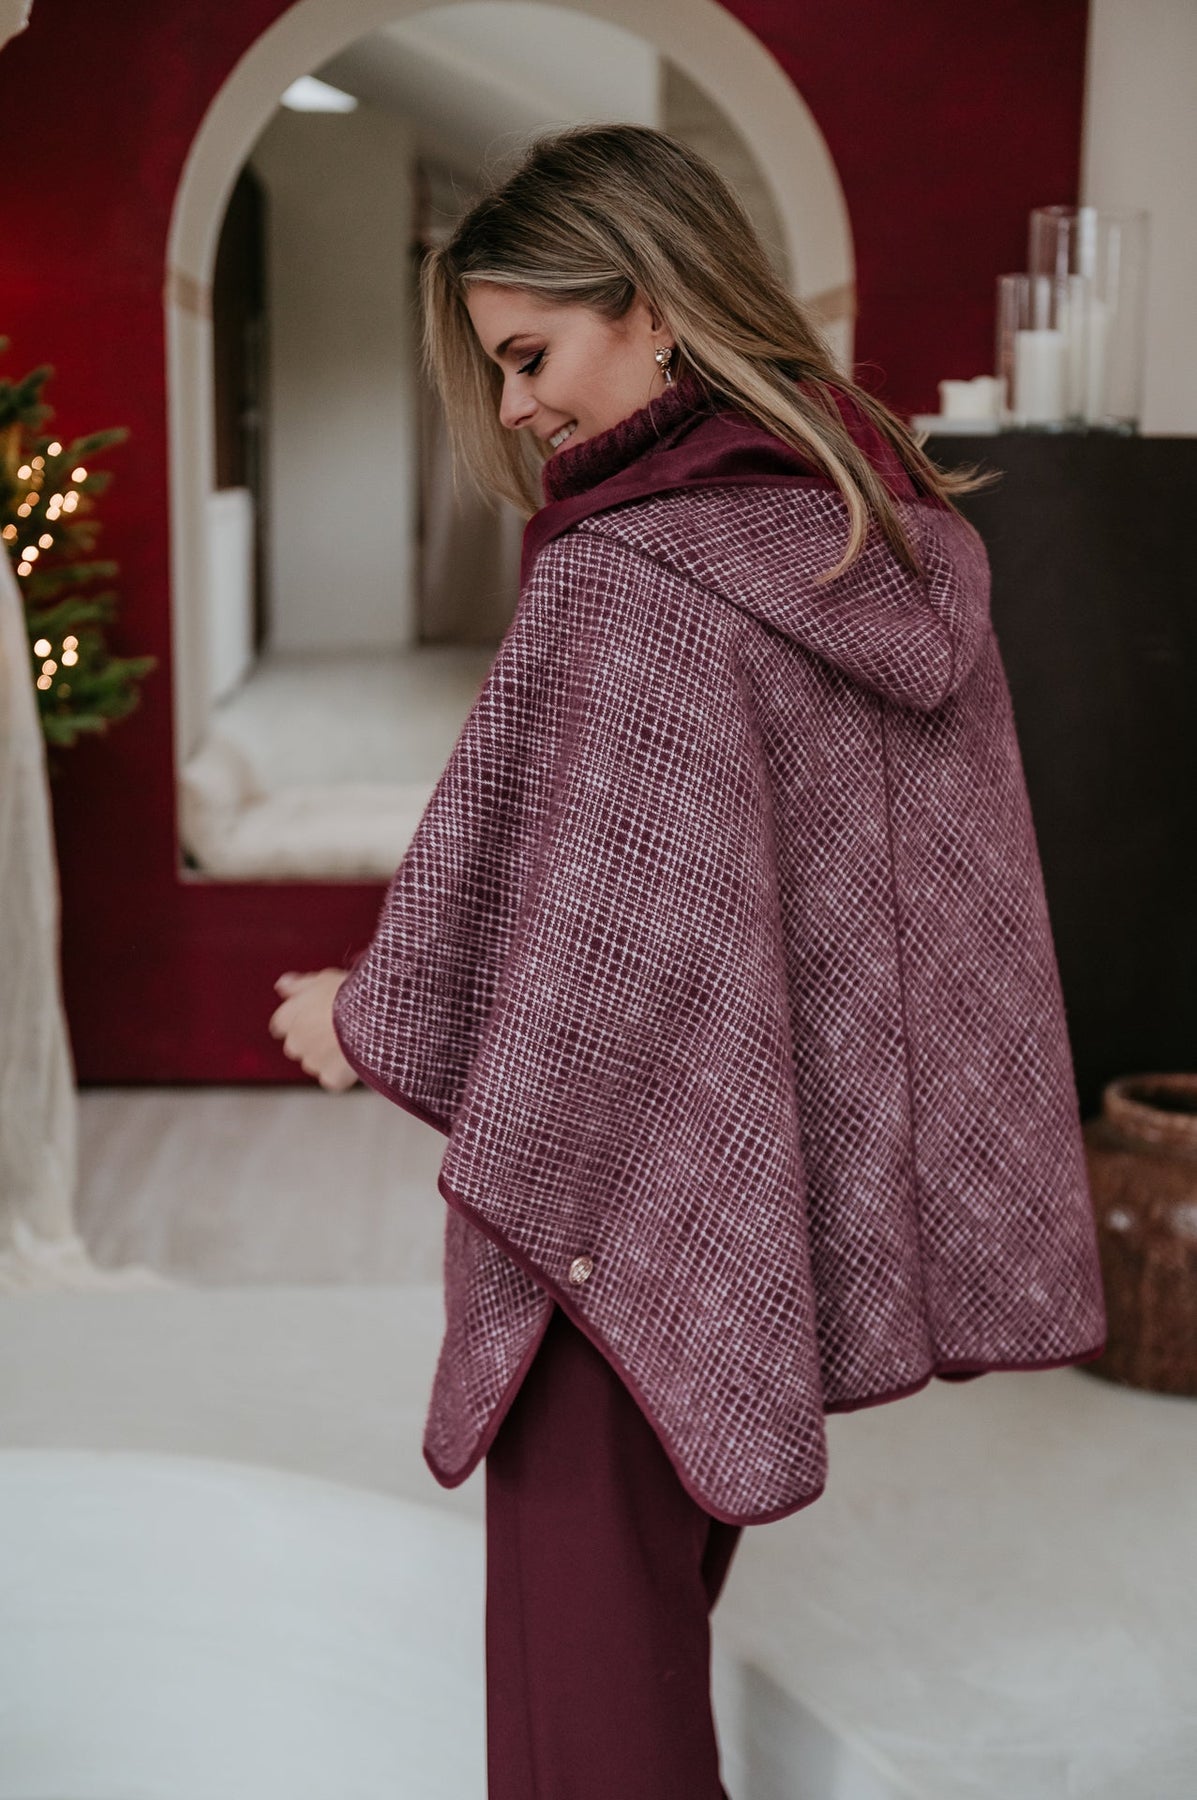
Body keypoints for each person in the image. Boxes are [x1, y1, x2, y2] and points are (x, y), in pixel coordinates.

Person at [268, 123, 1107, 1800]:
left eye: (529, 355)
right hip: (742, 1194)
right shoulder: (872, 534)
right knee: (639, 1639)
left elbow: (591, 940)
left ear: (651, 307)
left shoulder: (632, 573)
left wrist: (367, 1013)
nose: (513, 405)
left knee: (584, 1702)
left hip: (610, 1201)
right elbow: (726, 902)